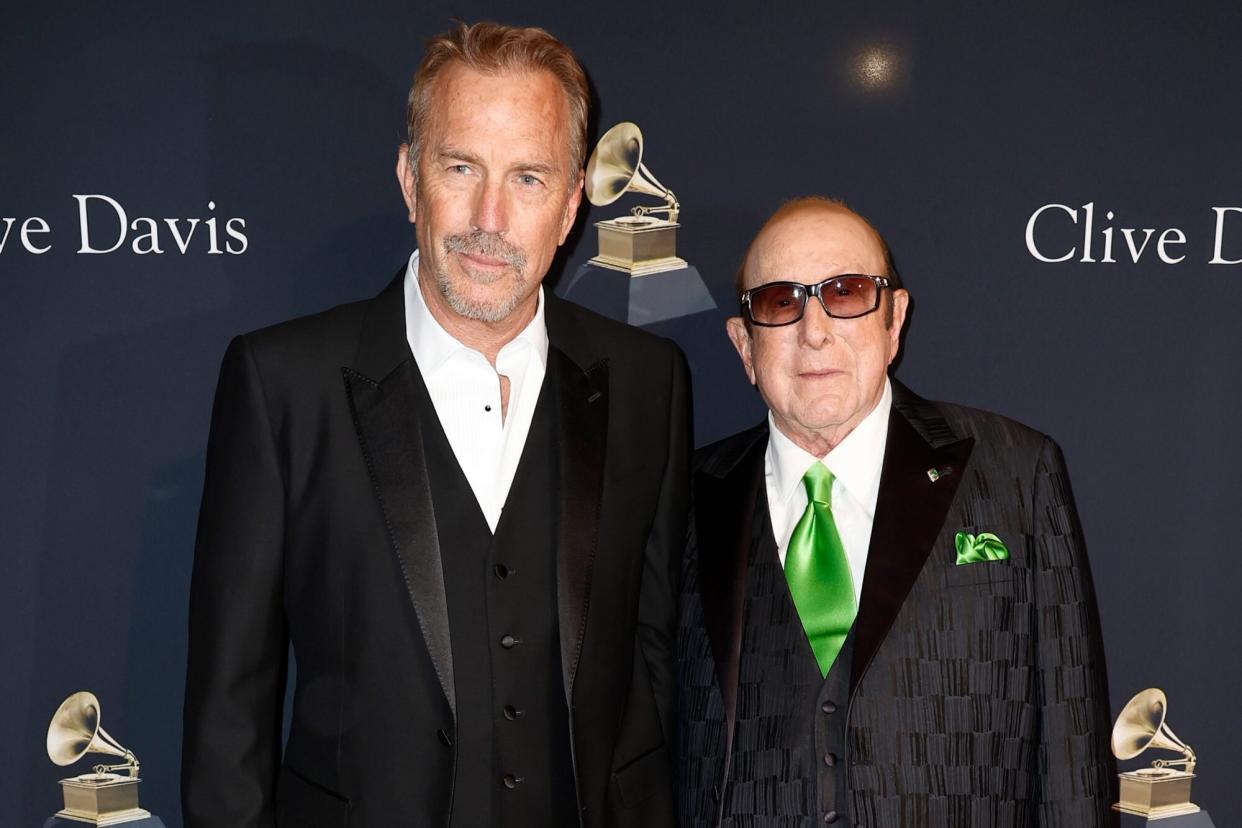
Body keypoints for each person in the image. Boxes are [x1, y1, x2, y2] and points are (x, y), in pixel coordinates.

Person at [182, 21, 688, 828]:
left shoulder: (646, 382)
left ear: (568, 207)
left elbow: (652, 659)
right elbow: (227, 717)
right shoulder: (283, 383)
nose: (490, 216)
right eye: (462, 167)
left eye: (528, 178)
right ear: (410, 178)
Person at [677, 197, 1116, 827]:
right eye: (781, 302)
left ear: (894, 321)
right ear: (744, 345)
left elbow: (1073, 750)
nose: (815, 329)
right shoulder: (681, 498)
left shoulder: (1018, 472)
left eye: (847, 292)